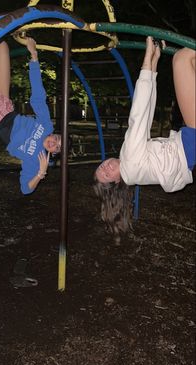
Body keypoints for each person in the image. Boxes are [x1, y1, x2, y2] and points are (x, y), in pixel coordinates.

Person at [94, 36, 196, 244]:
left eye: (101, 167)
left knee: (187, 61)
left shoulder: (133, 167)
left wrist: (155, 62)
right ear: (116, 181)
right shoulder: (130, 162)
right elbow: (138, 114)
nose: (106, 167)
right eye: (107, 174)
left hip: (189, 151)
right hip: (189, 145)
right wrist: (147, 57)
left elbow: (146, 115)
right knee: (182, 59)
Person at [0, 36, 61, 195]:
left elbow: (25, 189)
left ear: (54, 153)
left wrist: (41, 173)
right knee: (1, 45)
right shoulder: (47, 126)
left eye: (57, 148)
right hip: (4, 104)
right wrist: (34, 57)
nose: (54, 142)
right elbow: (38, 97)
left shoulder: (37, 159)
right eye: (57, 138)